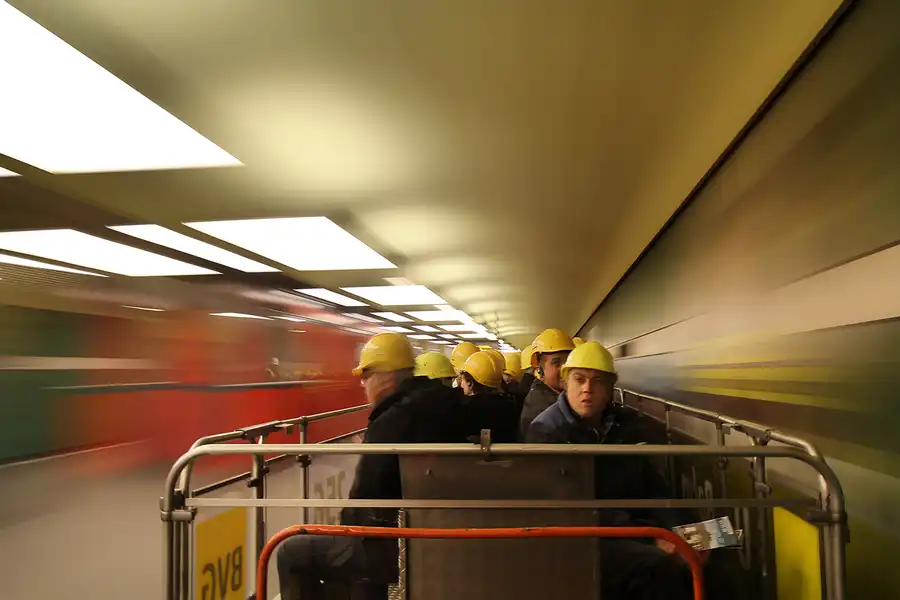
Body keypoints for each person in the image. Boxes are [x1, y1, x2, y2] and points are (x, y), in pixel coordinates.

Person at [527, 342, 730, 600]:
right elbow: (573, 507)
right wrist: (653, 538)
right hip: (586, 536)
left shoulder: (623, 426)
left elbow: (653, 486)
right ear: (567, 383)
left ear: (610, 388)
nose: (587, 389)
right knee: (655, 567)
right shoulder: (547, 431)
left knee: (719, 547)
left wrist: (683, 529)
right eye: (579, 380)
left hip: (633, 527)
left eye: (597, 381)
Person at [276, 333, 465, 600]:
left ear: (385, 376)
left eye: (366, 376)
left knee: (290, 550)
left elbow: (366, 492)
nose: (363, 384)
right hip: (428, 533)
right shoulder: (442, 405)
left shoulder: (391, 420)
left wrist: (344, 530)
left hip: (390, 543)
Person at [518, 328, 575, 437]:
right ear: (540, 368)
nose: (565, 369)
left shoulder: (550, 396)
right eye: (556, 363)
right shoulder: (541, 408)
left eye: (568, 362)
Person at [457, 351, 519, 442]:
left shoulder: (465, 410)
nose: (461, 385)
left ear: (470, 383)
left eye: (463, 380)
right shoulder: (510, 405)